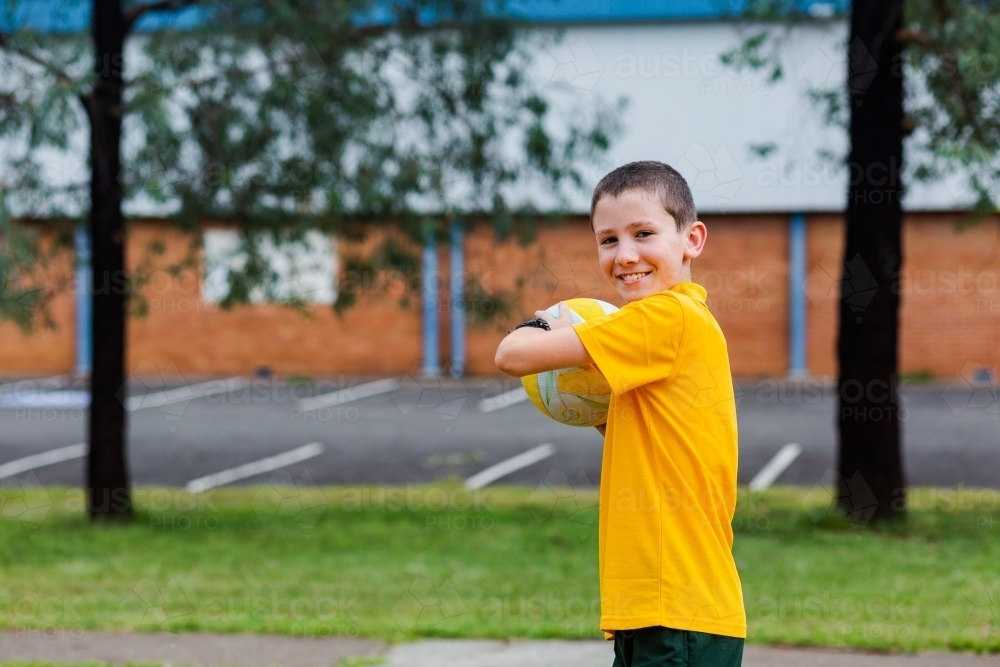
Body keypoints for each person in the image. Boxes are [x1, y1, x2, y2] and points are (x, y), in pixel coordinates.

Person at [495, 161, 745, 667]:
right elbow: (640, 440)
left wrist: (542, 323)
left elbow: (511, 356)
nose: (625, 255)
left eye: (643, 234)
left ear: (691, 239)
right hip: (661, 612)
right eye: (607, 240)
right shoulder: (677, 328)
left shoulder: (664, 315)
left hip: (675, 614)